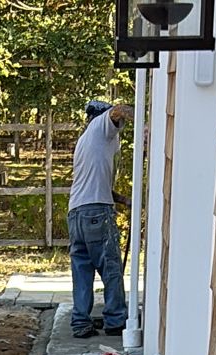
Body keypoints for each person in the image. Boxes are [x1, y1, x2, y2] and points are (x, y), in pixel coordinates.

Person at [67, 99, 133, 339]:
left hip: (76, 213)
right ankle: (115, 320)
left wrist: (125, 201)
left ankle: (81, 323)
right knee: (110, 266)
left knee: (82, 270)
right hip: (96, 213)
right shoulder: (100, 127)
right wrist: (147, 127)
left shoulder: (85, 142)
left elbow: (97, 185)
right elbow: (120, 109)